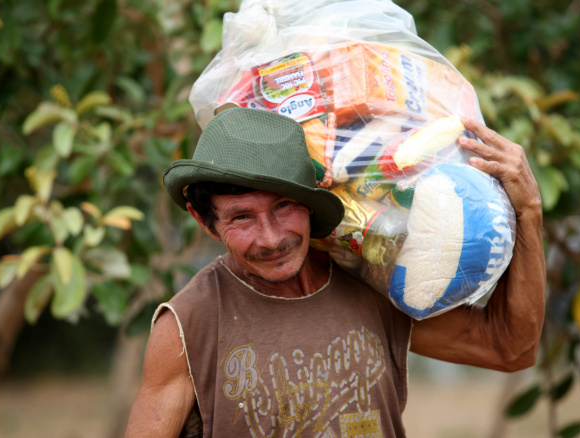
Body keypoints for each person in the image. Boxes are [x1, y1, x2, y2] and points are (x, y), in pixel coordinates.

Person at [124, 107, 545, 437]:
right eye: (241, 218)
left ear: (310, 202)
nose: (271, 238)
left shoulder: (374, 284)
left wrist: (528, 212)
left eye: (283, 207)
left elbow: (512, 349)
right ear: (205, 222)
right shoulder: (188, 325)